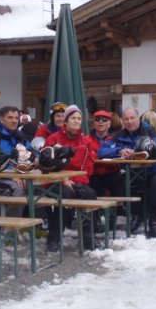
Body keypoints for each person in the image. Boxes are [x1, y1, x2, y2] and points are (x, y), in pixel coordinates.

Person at [98, 107, 156, 238]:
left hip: (153, 171)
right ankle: (137, 213)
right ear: (122, 121)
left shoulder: (150, 132)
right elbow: (102, 152)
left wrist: (145, 153)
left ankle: (155, 220)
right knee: (118, 183)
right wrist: (119, 151)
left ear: (138, 118)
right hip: (131, 171)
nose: (129, 122)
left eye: (132, 118)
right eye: (126, 119)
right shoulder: (120, 135)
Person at [43, 105, 97, 252]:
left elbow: (88, 168)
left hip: (78, 181)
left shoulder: (86, 141)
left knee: (90, 194)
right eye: (73, 118)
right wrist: (65, 181)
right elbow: (46, 165)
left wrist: (77, 183)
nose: (77, 121)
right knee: (64, 196)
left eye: (79, 118)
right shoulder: (53, 138)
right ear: (65, 121)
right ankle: (53, 237)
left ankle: (88, 237)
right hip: (55, 181)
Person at [0, 106, 33, 217]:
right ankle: (12, 226)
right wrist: (11, 176)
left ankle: (30, 224)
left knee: (37, 188)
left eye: (16, 118)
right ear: (1, 119)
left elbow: (32, 154)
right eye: (10, 117)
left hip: (16, 177)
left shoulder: (18, 135)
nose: (14, 121)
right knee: (16, 189)